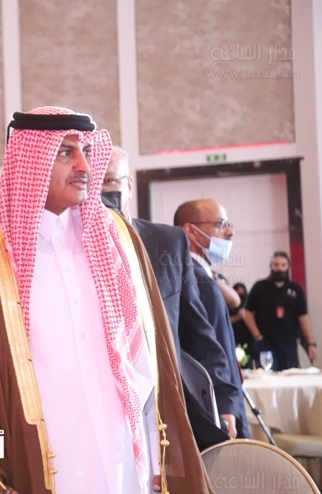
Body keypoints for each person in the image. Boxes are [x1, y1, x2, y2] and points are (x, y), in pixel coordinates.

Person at [0, 108, 218, 494]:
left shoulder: (118, 238)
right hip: (42, 470)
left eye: (86, 151)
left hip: (129, 466)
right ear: (30, 160)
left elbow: (153, 365)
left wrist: (166, 459)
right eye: (66, 153)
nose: (85, 167)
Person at [101, 147, 239, 442]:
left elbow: (197, 331)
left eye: (110, 181)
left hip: (166, 404)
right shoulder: (74, 250)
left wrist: (224, 401)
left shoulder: (167, 242)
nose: (102, 193)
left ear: (129, 185)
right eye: (95, 183)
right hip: (105, 407)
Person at [174, 200, 250, 438]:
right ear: (190, 230)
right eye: (220, 224)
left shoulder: (202, 276)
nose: (230, 232)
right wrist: (226, 403)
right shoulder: (195, 280)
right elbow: (207, 348)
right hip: (216, 404)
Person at [244, 251, 317, 370]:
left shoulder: (296, 289)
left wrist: (311, 343)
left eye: (283, 265)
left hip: (289, 344)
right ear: (271, 266)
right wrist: (257, 335)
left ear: (288, 266)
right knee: (267, 377)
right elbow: (247, 312)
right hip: (265, 343)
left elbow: (303, 316)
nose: (279, 268)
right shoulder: (259, 287)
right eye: (276, 265)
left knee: (290, 377)